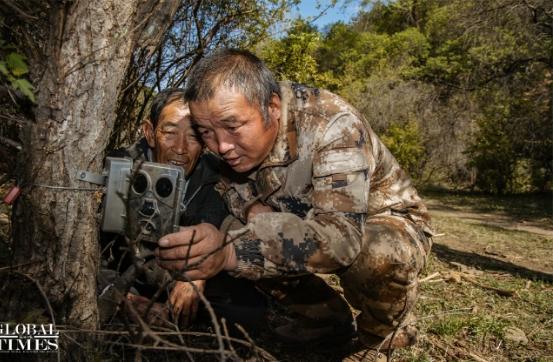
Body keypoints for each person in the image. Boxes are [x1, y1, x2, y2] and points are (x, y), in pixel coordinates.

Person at [155, 49, 434, 359]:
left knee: (375, 254)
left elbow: (342, 240)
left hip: (379, 220)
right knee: (236, 228)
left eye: (233, 127)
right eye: (206, 132)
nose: (221, 146)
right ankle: (326, 320)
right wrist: (248, 214)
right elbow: (229, 195)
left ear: (272, 107)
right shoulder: (224, 140)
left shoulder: (332, 123)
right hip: (300, 218)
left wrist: (232, 251)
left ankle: (382, 334)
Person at [99, 88, 264, 328]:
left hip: (180, 276)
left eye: (194, 137)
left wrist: (198, 274)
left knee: (249, 310)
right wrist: (120, 298)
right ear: (150, 132)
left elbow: (218, 226)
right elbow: (93, 253)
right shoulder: (121, 171)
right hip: (128, 277)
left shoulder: (215, 174)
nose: (180, 148)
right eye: (169, 132)